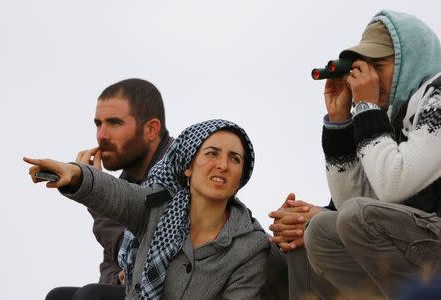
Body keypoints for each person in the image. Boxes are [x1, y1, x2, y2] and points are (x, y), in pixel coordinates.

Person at [25, 119, 270, 300]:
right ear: (188, 166)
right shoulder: (158, 205)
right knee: (59, 297)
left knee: (90, 296)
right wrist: (77, 175)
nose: (223, 165)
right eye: (212, 154)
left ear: (241, 177)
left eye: (235, 159)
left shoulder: (250, 245)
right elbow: (116, 193)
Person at [301, 10, 441, 299]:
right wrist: (340, 122)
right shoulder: (395, 118)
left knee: (356, 217)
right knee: (321, 232)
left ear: (409, 61)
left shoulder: (438, 97)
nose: (370, 77)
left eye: (379, 64)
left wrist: (365, 107)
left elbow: (393, 184)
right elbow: (350, 205)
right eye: (363, 67)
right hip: (425, 243)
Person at [46, 78, 174, 299]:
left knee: (90, 296)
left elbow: (146, 248)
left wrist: (95, 194)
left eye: (114, 123)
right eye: (98, 123)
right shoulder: (128, 179)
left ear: (151, 129)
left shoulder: (178, 174)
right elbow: (110, 267)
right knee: (58, 297)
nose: (101, 135)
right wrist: (120, 277)